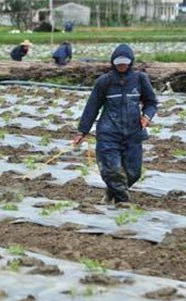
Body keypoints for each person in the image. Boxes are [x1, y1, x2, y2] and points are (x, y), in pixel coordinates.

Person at [72, 44, 158, 204]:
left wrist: (147, 116)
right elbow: (92, 107)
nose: (122, 66)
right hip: (109, 133)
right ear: (113, 62)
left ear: (131, 62)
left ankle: (112, 192)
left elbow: (151, 102)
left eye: (125, 62)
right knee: (112, 171)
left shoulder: (140, 79)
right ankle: (122, 203)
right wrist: (82, 131)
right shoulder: (104, 82)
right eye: (119, 63)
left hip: (133, 133)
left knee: (133, 173)